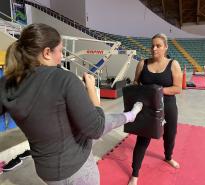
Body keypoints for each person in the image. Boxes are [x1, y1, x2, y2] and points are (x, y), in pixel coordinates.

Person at [0, 23, 143, 185]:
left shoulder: (6, 83)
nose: (62, 56)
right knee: (104, 121)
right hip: (77, 169)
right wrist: (90, 89)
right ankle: (129, 116)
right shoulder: (64, 79)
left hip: (47, 172)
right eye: (61, 51)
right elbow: (96, 129)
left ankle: (128, 116)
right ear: (47, 52)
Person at [128, 33, 182, 185]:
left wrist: (157, 90)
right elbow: (135, 83)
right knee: (142, 139)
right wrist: (134, 90)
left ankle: (168, 157)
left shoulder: (173, 64)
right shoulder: (142, 64)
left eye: (158, 45)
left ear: (165, 47)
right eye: (152, 45)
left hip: (168, 106)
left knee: (170, 135)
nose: (154, 48)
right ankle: (135, 173)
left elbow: (178, 88)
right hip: (148, 108)